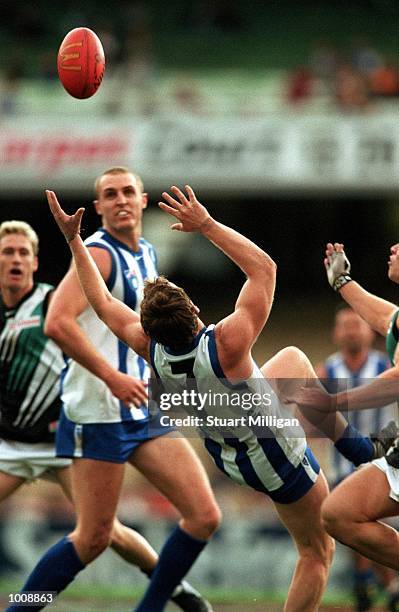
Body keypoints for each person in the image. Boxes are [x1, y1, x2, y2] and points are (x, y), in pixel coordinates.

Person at [45, 185, 396, 612]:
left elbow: (101, 303)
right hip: (271, 450)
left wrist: (73, 240)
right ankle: (360, 449)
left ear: (150, 328)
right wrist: (206, 225)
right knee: (317, 551)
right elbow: (264, 269)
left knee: (292, 361)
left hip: (229, 451)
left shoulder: (148, 349)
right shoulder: (226, 342)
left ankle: (359, 449)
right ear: (193, 309)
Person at [6, 171, 221, 612]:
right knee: (93, 538)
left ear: (142, 201)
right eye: (109, 195)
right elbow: (58, 322)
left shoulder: (147, 251)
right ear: (98, 207)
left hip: (140, 405)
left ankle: (152, 607)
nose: (120, 200)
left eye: (127, 192)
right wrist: (111, 376)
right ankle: (21, 608)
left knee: (204, 515)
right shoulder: (100, 253)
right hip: (98, 409)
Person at [290, 243, 399, 592]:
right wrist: (342, 282)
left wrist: (332, 401)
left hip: (381, 445)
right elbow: (386, 318)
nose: (393, 248)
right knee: (339, 513)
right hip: (378, 450)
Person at [317, 307, 399, 611]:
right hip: (344, 461)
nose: (352, 331)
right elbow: (307, 413)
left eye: (357, 324)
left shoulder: (386, 362)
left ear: (371, 332)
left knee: (364, 524)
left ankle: (379, 583)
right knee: (349, 521)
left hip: (386, 460)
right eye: (345, 326)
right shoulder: (326, 371)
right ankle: (374, 584)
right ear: (336, 333)